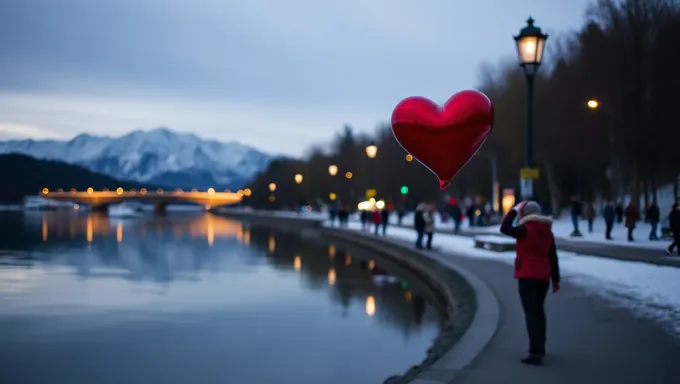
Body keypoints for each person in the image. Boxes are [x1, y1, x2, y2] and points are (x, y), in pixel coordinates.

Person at [500, 200, 560, 366]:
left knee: (531, 314)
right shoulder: (548, 232)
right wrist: (556, 280)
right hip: (543, 277)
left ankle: (535, 353)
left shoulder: (524, 230)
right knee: (539, 312)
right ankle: (541, 347)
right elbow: (553, 258)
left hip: (527, 276)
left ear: (523, 214)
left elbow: (504, 228)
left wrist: (512, 210)